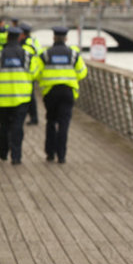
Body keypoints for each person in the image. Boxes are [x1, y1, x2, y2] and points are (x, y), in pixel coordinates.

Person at [0, 27, 40, 164]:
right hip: (21, 98)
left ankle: (3, 153)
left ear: (7, 37)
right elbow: (35, 74)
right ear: (19, 37)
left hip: (2, 98)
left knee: (3, 126)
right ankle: (16, 157)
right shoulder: (27, 55)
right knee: (17, 127)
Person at [36, 26, 88, 164]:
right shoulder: (73, 54)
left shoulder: (45, 54)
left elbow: (35, 72)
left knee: (51, 121)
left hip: (50, 92)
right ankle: (62, 155)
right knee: (64, 124)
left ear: (53, 38)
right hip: (67, 92)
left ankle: (50, 153)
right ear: (66, 38)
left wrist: (45, 79)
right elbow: (82, 72)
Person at [19, 22, 40, 125]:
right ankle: (33, 116)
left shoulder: (27, 46)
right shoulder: (32, 41)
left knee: (30, 96)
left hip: (29, 73)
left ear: (23, 34)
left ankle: (34, 117)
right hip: (32, 72)